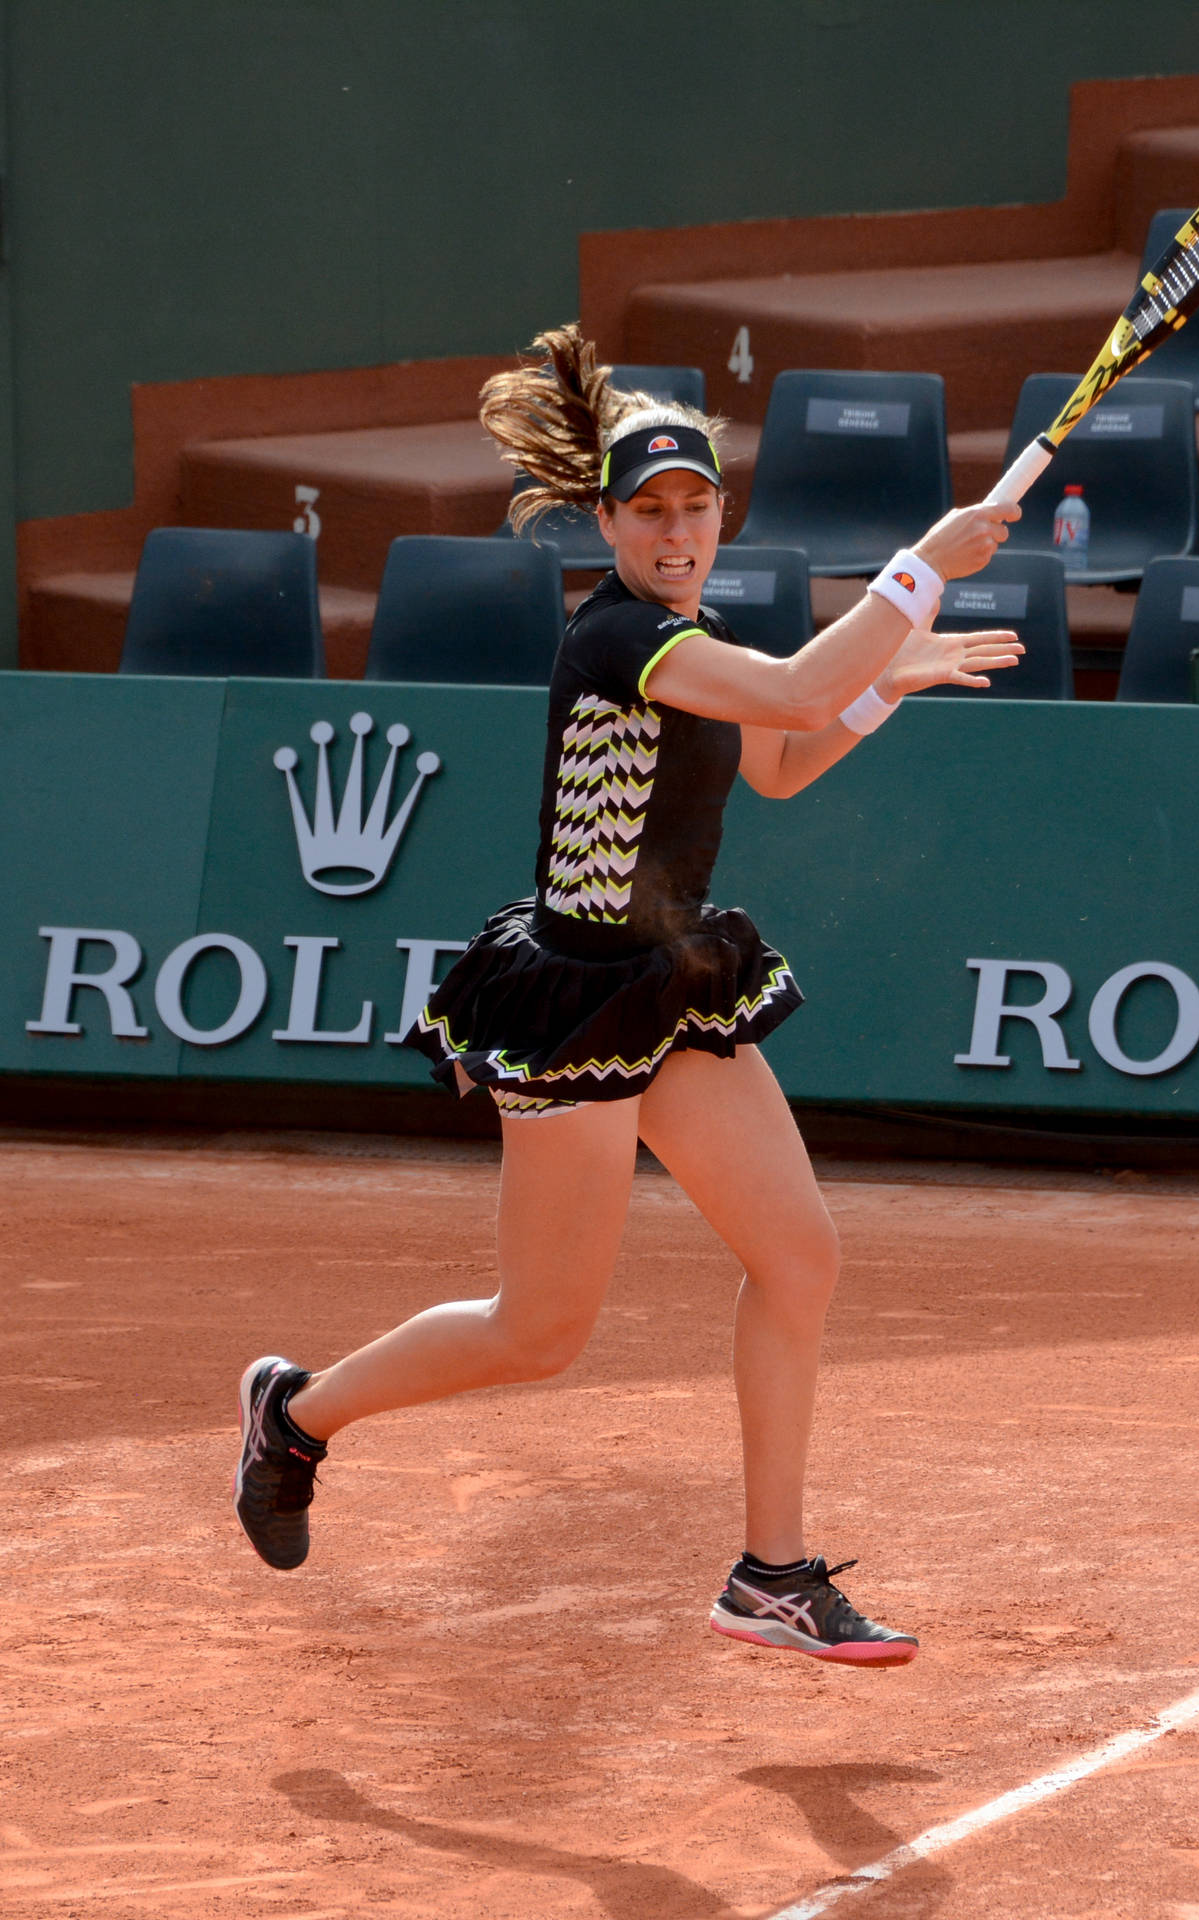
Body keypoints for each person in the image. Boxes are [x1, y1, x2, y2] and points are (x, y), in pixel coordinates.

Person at [234, 326, 1021, 1666]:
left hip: (670, 985)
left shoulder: (694, 639)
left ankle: (770, 1574)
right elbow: (788, 687)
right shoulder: (619, 640)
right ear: (604, 520)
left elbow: (777, 756)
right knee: (538, 1333)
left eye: (694, 505)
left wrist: (886, 684)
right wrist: (919, 566)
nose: (673, 528)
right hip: (570, 1002)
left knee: (799, 1256)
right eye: (646, 509)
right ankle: (298, 1416)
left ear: (723, 511)